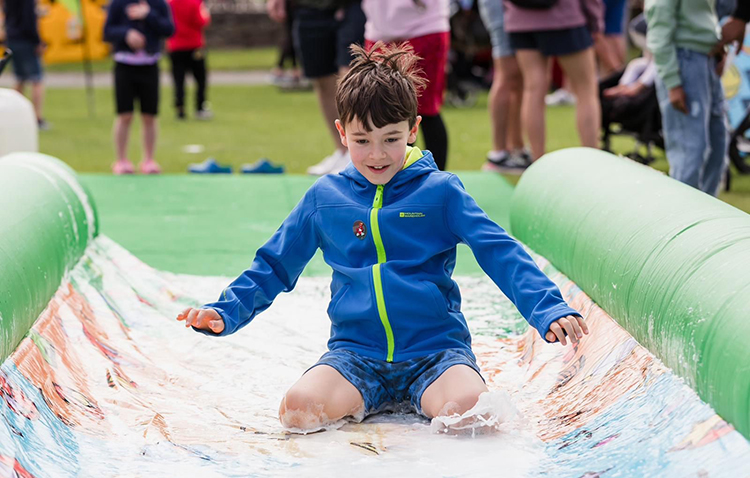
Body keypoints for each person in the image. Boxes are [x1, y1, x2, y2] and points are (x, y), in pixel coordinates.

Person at [177, 43, 589, 432]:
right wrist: (225, 312)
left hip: (436, 354)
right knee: (298, 411)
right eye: (362, 141)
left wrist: (546, 308)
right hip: (355, 356)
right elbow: (274, 264)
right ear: (342, 132)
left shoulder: (441, 193)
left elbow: (498, 250)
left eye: (391, 139)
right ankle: (366, 399)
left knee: (470, 415)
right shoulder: (326, 198)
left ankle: (426, 397)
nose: (377, 155)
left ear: (413, 129)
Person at [267, 0, 366, 176]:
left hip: (353, 6)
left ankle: (358, 152)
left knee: (351, 78)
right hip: (309, 8)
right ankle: (342, 150)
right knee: (322, 79)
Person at [504, 0, 604, 161]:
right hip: (565, 19)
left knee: (532, 89)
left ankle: (537, 161)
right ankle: (593, 161)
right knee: (586, 89)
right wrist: (595, 22)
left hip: (520, 21)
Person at [646, 0, 727, 195]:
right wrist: (672, 81)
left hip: (706, 59)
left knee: (718, 147)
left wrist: (716, 44)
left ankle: (707, 217)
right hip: (683, 61)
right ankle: (683, 219)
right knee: (690, 151)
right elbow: (659, 26)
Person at [362, 0, 451, 171]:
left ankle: (437, 181)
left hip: (425, 28)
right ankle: (395, 179)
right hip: (379, 31)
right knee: (383, 112)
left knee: (425, 109)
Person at [104, 0, 174, 175]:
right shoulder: (118, 4)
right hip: (124, 65)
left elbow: (169, 29)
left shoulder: (158, 4)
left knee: (149, 115)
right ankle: (121, 160)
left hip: (149, 65)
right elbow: (107, 31)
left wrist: (148, 15)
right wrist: (126, 34)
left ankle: (149, 160)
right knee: (124, 114)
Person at [477, 0, 530, 173]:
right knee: (506, 76)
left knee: (517, 79)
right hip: (501, 7)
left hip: (511, 8)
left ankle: (517, 147)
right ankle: (498, 154)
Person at [1, 0, 50, 129]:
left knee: (20, 79)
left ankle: (13, 115)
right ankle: (36, 118)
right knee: (37, 80)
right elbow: (29, 20)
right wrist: (37, 41)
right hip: (26, 41)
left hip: (12, 38)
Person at [167, 0, 211, 120]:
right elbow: (200, 21)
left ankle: (180, 108)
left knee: (178, 79)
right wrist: (206, 15)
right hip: (194, 46)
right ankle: (200, 107)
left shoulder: (170, 3)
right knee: (200, 78)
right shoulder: (194, 2)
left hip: (175, 46)